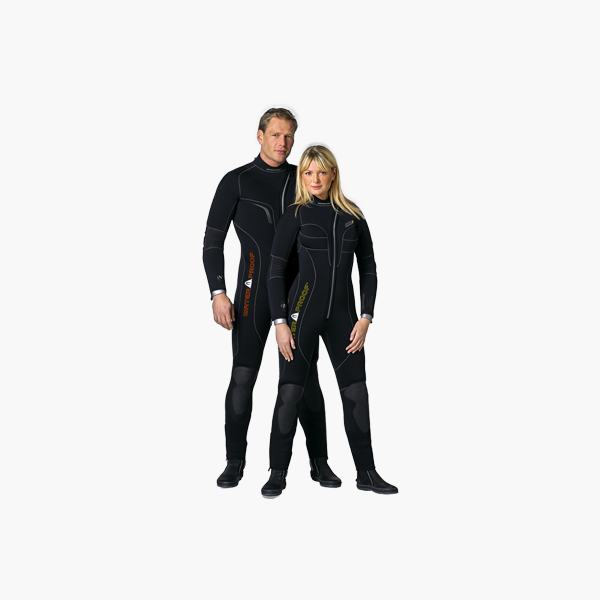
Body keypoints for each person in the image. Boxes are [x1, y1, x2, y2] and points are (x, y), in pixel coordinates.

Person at [203, 109, 340, 489]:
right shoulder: (237, 181)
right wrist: (218, 293)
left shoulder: (305, 179)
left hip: (299, 296)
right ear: (260, 135)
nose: (283, 142)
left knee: (305, 380)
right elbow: (212, 241)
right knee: (243, 375)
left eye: (289, 136)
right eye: (276, 134)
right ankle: (234, 462)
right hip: (251, 294)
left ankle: (319, 463)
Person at [261, 145, 398, 497]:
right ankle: (277, 472)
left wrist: (366, 317)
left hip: (344, 318)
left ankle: (367, 473)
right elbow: (275, 271)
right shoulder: (295, 214)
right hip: (300, 314)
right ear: (301, 176)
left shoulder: (353, 215)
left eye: (321, 171)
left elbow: (369, 269)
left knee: (356, 392)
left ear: (333, 173)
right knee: (290, 391)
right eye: (308, 172)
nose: (315, 179)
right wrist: (279, 321)